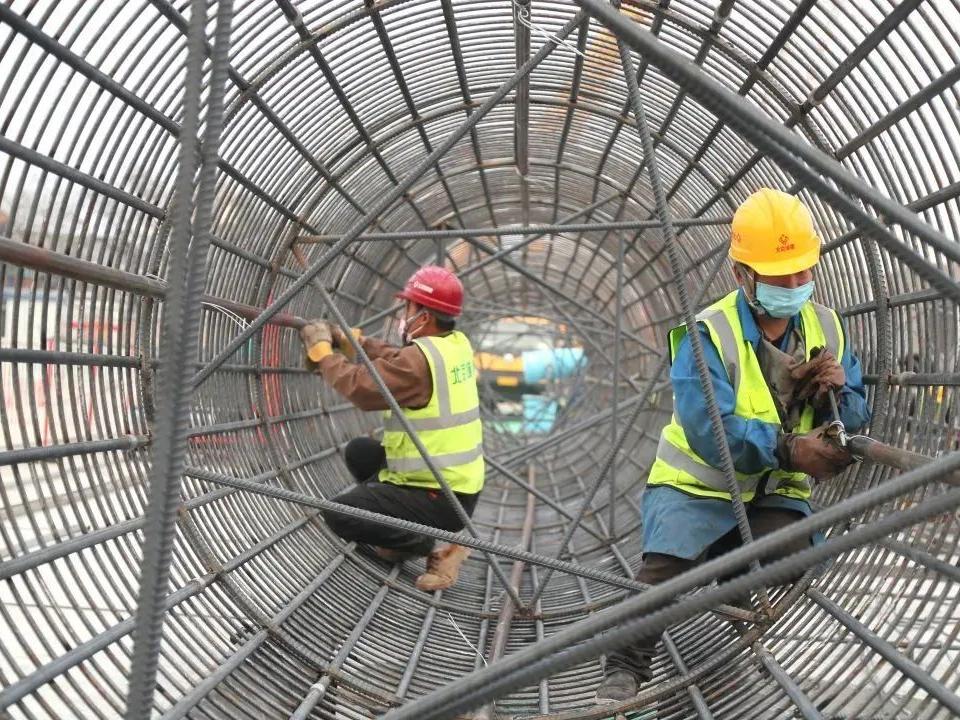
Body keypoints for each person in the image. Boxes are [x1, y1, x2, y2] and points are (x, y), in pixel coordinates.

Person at [595, 188, 871, 702]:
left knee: (799, 556)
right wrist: (789, 450)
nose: (795, 286)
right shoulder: (708, 334)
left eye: (803, 273)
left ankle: (734, 585)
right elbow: (710, 429)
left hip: (769, 497)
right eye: (780, 276)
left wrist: (837, 397)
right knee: (662, 579)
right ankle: (624, 672)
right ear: (741, 273)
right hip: (696, 491)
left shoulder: (826, 328)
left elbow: (856, 418)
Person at [299, 265, 484, 592]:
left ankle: (428, 543)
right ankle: (397, 534)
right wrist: (356, 342)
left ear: (424, 316)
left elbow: (363, 388)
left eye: (408, 307)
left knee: (340, 514)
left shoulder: (420, 362)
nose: (403, 314)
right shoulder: (454, 344)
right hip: (453, 485)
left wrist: (324, 354)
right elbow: (399, 358)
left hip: (439, 496)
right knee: (360, 451)